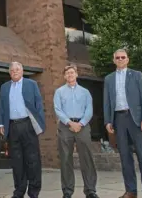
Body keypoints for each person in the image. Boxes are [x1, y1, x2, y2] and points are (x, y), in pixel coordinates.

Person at [103, 49, 142, 198]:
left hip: (136, 120)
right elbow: (106, 102)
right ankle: (131, 191)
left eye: (123, 57)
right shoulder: (109, 79)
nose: (120, 59)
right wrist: (108, 121)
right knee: (125, 157)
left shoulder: (137, 75)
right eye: (117, 57)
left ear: (127, 59)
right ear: (114, 60)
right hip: (119, 120)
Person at [0, 61, 45, 198]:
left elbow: (39, 105)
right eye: (12, 70)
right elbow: (1, 106)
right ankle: (19, 191)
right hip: (12, 126)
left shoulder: (32, 84)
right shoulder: (4, 87)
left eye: (17, 69)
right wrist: (1, 124)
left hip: (28, 125)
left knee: (33, 159)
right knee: (17, 161)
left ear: (22, 71)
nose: (15, 72)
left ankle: (34, 191)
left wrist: (39, 125)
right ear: (9, 73)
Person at [54, 64, 99, 198]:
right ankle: (67, 191)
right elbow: (57, 109)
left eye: (72, 72)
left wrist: (81, 123)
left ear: (76, 74)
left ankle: (90, 190)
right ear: (64, 76)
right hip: (65, 126)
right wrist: (69, 122)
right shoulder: (59, 92)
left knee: (87, 159)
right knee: (66, 159)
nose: (70, 75)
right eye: (67, 73)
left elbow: (89, 110)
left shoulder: (85, 92)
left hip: (82, 126)